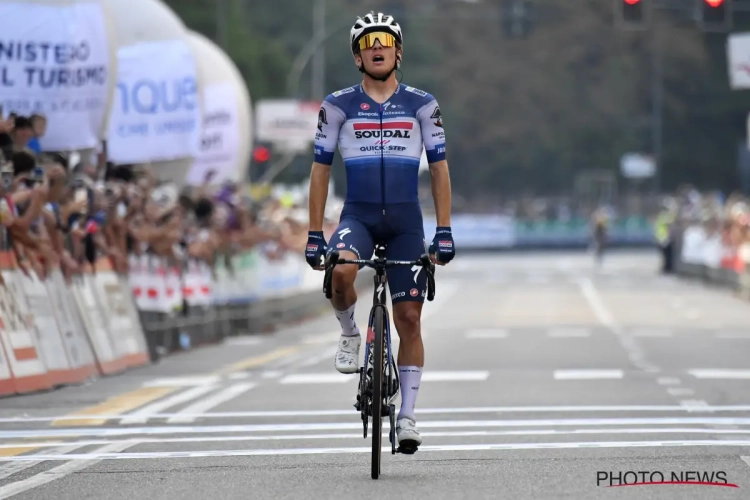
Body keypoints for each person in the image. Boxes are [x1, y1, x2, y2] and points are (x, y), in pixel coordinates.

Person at [304, 11, 455, 453]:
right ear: (357, 56)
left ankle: (407, 416)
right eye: (367, 42)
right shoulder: (337, 106)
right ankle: (351, 331)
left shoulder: (423, 104)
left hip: (406, 219)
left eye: (384, 41)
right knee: (341, 273)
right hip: (359, 216)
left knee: (409, 317)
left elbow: (441, 171)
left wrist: (443, 230)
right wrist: (315, 233)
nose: (376, 47)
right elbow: (319, 172)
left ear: (398, 51)